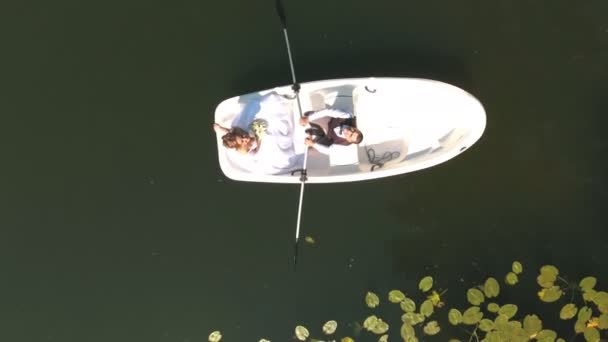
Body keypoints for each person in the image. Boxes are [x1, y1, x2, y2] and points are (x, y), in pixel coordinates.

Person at [299, 108, 364, 155]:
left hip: (329, 136)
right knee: (307, 115)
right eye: (354, 130)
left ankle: (318, 133)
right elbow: (327, 111)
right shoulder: (347, 116)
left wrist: (312, 144)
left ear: (349, 141)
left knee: (311, 148)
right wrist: (308, 118)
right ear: (356, 128)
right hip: (329, 121)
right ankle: (317, 129)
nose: (349, 131)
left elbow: (328, 151)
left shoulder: (344, 145)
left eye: (350, 135)